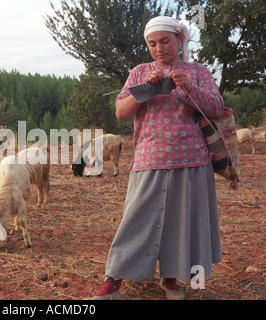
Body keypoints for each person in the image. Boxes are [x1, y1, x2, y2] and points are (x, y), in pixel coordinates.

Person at [87, 16, 225, 300]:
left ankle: (170, 279)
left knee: (180, 223)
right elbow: (121, 112)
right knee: (135, 221)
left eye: (165, 41)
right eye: (152, 43)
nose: (159, 48)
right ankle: (113, 282)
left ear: (179, 40)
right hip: (150, 158)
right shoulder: (139, 72)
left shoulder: (197, 71)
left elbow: (217, 108)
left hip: (192, 161)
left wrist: (189, 88)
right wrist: (146, 90)